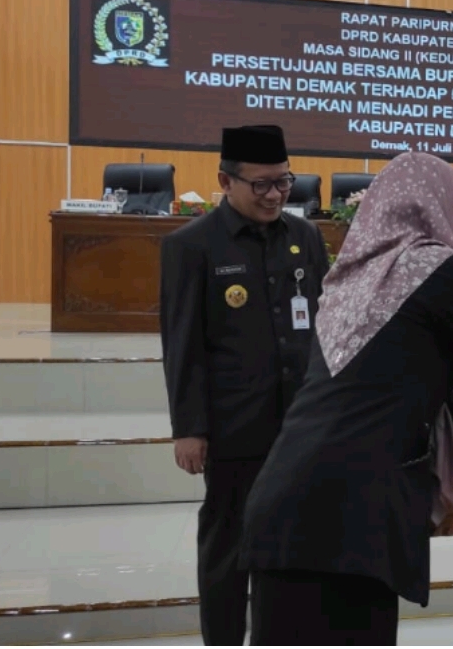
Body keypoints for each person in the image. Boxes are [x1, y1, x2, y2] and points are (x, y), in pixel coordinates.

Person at [240, 152, 453, 646]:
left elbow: (414, 393)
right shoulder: (445, 269)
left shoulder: (352, 281)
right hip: (351, 520)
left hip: (285, 507)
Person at [159, 124, 329, 646]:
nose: (275, 195)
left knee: (295, 546)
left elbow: (325, 328)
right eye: (261, 184)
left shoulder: (305, 238)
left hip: (300, 425)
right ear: (225, 181)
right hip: (235, 425)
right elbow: (182, 344)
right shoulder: (191, 245)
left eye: (284, 182)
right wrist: (189, 428)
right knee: (227, 548)